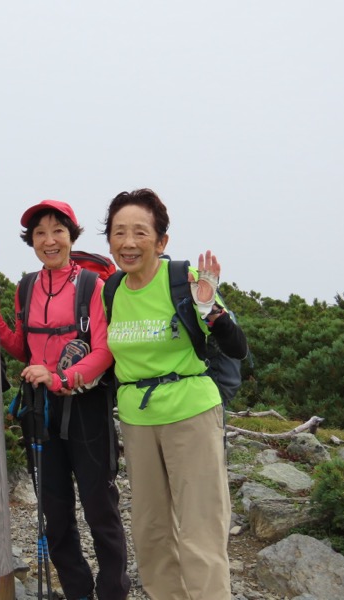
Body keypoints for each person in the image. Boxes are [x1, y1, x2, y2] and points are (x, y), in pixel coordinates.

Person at [102, 188, 247, 600]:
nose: (129, 242)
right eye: (119, 232)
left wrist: (209, 310)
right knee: (150, 531)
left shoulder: (184, 281)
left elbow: (237, 347)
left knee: (201, 528)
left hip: (191, 414)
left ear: (161, 241)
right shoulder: (112, 290)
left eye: (140, 232)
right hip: (137, 420)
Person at [0, 200, 131, 600]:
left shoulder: (92, 286)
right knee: (54, 512)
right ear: (32, 240)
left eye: (57, 231)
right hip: (41, 411)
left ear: (71, 236)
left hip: (86, 408)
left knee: (100, 508)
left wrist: (61, 378)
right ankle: (77, 591)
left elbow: (104, 351)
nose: (49, 240)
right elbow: (24, 348)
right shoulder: (26, 287)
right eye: (40, 233)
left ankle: (113, 591)